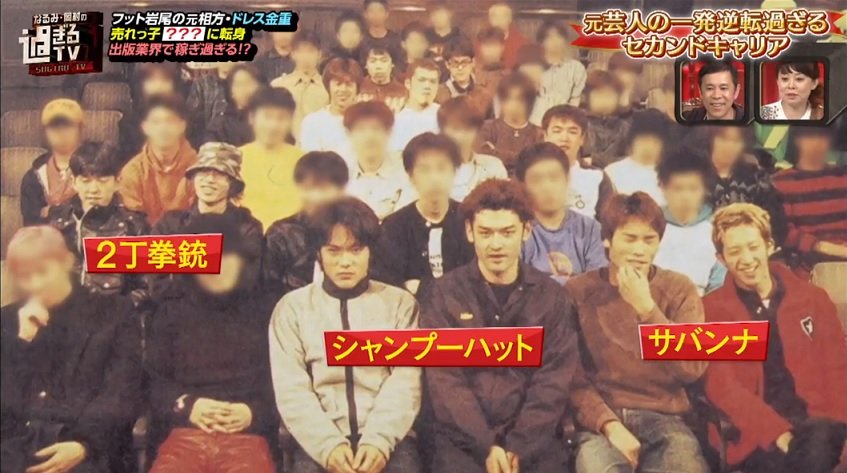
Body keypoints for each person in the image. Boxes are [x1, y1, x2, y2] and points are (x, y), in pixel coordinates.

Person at [421, 179, 578, 472]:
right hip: (462, 442)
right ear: (470, 232)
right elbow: (446, 382)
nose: (496, 244)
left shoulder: (552, 297)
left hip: (534, 443)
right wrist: (486, 445)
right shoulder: (443, 294)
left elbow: (552, 382)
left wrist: (518, 446)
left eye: (507, 233)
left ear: (526, 230)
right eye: (485, 233)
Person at [270, 198, 423, 473]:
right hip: (316, 440)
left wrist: (378, 441)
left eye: (356, 250)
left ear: (370, 252)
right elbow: (292, 389)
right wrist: (328, 446)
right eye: (333, 251)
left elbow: (405, 382)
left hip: (390, 439)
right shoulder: (292, 309)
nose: (345, 262)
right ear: (318, 254)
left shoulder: (400, 304)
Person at [568, 192, 710, 473]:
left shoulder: (679, 288)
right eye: (630, 239)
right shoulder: (578, 291)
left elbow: (693, 368)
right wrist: (608, 425)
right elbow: (571, 376)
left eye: (649, 240)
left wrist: (647, 309)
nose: (640, 250)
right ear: (607, 240)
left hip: (665, 419)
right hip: (601, 422)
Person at [703, 203, 847, 472]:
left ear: (769, 246)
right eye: (734, 251)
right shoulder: (712, 310)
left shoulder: (813, 299)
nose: (747, 259)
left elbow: (837, 369)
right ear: (721, 259)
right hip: (756, 436)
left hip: (818, 425)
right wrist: (778, 434)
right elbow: (723, 388)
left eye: (753, 247)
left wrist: (839, 423)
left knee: (818, 441)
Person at [1, 226, 142, 473]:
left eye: (43, 271)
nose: (35, 283)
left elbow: (122, 392)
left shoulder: (114, 313)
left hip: (89, 447)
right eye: (25, 276)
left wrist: (84, 444)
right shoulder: (8, 320)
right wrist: (22, 342)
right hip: (17, 450)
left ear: (66, 262)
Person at [146, 215, 279, 473]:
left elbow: (285, 384)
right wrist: (188, 406)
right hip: (185, 433)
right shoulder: (169, 312)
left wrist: (252, 413)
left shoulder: (266, 310)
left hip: (248, 436)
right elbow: (154, 383)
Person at [47, 142, 150, 304]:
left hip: (114, 313)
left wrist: (121, 308)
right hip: (64, 311)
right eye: (86, 181)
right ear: (74, 182)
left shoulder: (133, 227)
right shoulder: (58, 222)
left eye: (102, 181)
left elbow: (147, 286)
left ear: (117, 182)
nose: (93, 189)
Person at [374, 132, 474, 293]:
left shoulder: (469, 220)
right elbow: (389, 286)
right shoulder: (394, 227)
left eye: (442, 168)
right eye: (425, 170)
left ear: (454, 172)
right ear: (411, 176)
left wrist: (422, 287)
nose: (434, 178)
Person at [154, 142, 263, 282]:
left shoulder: (247, 228)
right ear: (194, 177)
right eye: (204, 171)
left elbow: (243, 282)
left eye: (220, 174)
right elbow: (157, 281)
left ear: (232, 184)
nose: (210, 180)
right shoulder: (170, 225)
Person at [263, 151, 349, 298]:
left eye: (325, 188)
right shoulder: (281, 233)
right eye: (311, 188)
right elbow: (267, 290)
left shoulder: (354, 228)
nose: (317, 195)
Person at [518, 143, 606, 284]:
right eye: (537, 180)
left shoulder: (590, 229)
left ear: (567, 179)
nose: (547, 187)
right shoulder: (518, 230)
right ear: (523, 186)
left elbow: (597, 285)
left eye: (554, 177)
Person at [773, 127, 847, 273]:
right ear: (797, 141)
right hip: (807, 266)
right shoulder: (781, 182)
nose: (817, 143)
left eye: (822, 137)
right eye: (810, 137)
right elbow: (783, 231)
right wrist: (822, 246)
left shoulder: (842, 178)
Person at [120, 94, 197, 225]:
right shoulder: (132, 171)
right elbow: (133, 223)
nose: (163, 128)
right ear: (145, 127)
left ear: (182, 126)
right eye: (156, 122)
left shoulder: (199, 168)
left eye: (170, 121)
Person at [655, 154, 726, 295]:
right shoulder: (650, 223)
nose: (685, 196)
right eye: (678, 188)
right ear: (662, 186)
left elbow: (719, 284)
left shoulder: (716, 228)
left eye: (693, 188)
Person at [705, 126, 787, 246]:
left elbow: (776, 224)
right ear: (711, 139)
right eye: (723, 138)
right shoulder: (696, 177)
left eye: (736, 141)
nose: (729, 146)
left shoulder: (757, 177)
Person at [238, 87, 304, 228]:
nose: (273, 125)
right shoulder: (235, 158)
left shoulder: (304, 161)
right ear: (252, 118)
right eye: (267, 117)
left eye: (281, 118)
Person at [344, 101, 416, 219]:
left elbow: (405, 220)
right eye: (361, 129)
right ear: (348, 134)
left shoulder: (406, 170)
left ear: (389, 133)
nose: (369, 137)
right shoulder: (339, 173)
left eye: (376, 128)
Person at [543, 105, 615, 220]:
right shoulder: (530, 174)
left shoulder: (597, 177)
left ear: (582, 139)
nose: (564, 138)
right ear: (545, 136)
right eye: (557, 131)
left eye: (572, 132)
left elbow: (608, 222)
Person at [21, 99, 84, 225]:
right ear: (45, 131)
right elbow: (31, 224)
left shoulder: (98, 168)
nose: (61, 131)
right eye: (54, 126)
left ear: (80, 128)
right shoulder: (32, 178)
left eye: (67, 125)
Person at [437, 97, 507, 200]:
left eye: (468, 129)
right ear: (442, 131)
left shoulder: (493, 166)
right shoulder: (431, 170)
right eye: (455, 129)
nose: (461, 136)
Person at [477, 73, 544, 173]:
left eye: (520, 99)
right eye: (508, 98)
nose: (514, 104)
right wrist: (523, 158)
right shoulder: (487, 128)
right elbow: (483, 155)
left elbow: (538, 163)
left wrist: (496, 152)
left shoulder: (538, 134)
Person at [119, 63, 185, 164]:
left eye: (164, 80)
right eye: (152, 80)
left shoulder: (187, 119)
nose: (158, 86)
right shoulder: (128, 124)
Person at [604, 109, 670, 206]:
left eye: (655, 141)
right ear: (632, 140)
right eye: (643, 139)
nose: (649, 146)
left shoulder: (673, 174)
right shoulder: (612, 172)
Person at [271, 32, 329, 142]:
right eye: (300, 51)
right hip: (286, 147)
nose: (305, 57)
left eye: (310, 51)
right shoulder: (279, 85)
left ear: (319, 54)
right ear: (293, 54)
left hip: (319, 147)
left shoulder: (328, 86)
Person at [300, 57, 363, 157]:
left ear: (357, 88)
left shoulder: (368, 121)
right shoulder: (313, 122)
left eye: (349, 84)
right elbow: (312, 161)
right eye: (338, 84)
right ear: (328, 86)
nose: (343, 89)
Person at [533, 20, 586, 124]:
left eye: (559, 36)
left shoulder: (576, 68)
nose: (555, 41)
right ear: (541, 42)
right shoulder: (532, 66)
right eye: (549, 37)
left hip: (564, 122)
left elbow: (575, 100)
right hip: (536, 121)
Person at [206, 64, 266, 146]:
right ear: (231, 92)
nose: (244, 89)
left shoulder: (270, 117)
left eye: (249, 83)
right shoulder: (221, 124)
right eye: (238, 85)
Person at [582, 70, 632, 168]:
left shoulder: (624, 127)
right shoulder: (581, 124)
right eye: (599, 95)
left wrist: (596, 160)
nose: (605, 101)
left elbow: (630, 160)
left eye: (610, 96)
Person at [390, 59, 441, 152]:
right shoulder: (396, 119)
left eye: (433, 81)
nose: (427, 86)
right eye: (422, 80)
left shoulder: (444, 116)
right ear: (408, 84)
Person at [435, 39, 493, 116]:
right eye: (455, 63)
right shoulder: (438, 94)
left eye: (464, 62)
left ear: (473, 62)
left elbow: (490, 122)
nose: (460, 68)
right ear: (447, 64)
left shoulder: (484, 96)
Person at [186, 62, 235, 147]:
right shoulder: (202, 84)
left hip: (236, 139)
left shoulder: (243, 84)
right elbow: (190, 117)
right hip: (208, 142)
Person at [485, 1, 526, 69]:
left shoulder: (521, 42)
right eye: (494, 16)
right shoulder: (481, 41)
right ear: (489, 19)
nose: (498, 21)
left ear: (510, 19)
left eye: (503, 16)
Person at [361, 0, 403, 65]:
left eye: (380, 11)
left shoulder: (395, 39)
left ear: (387, 14)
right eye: (371, 11)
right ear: (365, 14)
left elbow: (399, 65)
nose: (376, 15)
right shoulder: (360, 39)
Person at [473, 27, 507, 98]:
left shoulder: (509, 76)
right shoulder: (471, 72)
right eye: (487, 46)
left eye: (494, 45)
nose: (491, 50)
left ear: (502, 47)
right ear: (481, 48)